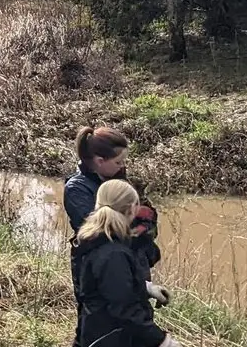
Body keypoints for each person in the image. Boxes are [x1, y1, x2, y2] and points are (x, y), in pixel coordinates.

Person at [72, 179, 178, 347]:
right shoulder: (113, 253)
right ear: (131, 210)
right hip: (110, 338)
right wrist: (162, 341)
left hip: (96, 333)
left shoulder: (96, 240)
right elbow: (125, 310)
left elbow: (108, 288)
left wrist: (146, 288)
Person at [65, 126, 131, 346]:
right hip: (90, 266)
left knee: (123, 323)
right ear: (100, 160)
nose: (123, 166)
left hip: (122, 261)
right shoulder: (76, 188)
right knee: (92, 324)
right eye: (118, 162)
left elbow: (141, 213)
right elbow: (95, 230)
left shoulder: (119, 178)